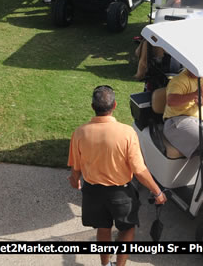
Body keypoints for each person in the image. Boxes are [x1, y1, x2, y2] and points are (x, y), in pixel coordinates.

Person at [68, 85, 167, 266]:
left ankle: (105, 264)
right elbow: (139, 169)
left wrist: (75, 181)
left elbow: (76, 168)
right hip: (121, 194)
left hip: (92, 193)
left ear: (93, 107)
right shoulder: (127, 133)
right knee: (127, 228)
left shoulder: (79, 133)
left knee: (103, 228)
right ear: (114, 106)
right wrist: (157, 192)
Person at [162, 70, 203, 158]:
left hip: (197, 122)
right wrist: (194, 95)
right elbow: (171, 101)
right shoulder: (179, 80)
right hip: (177, 121)